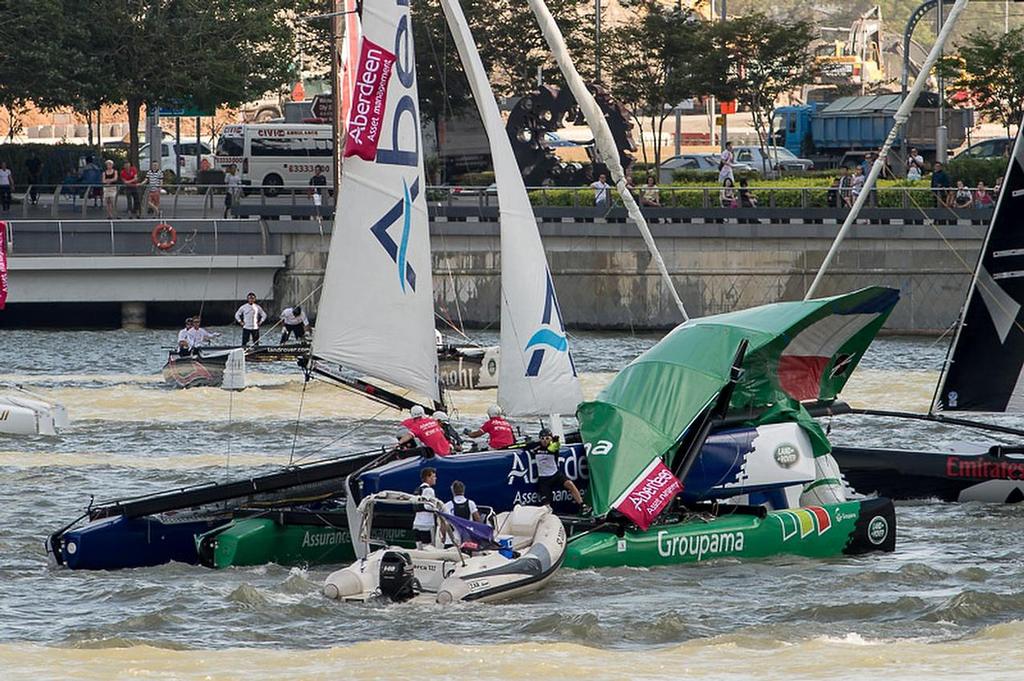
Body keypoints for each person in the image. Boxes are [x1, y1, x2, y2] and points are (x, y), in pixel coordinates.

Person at [526, 427, 584, 509]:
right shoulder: (537, 447)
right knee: (546, 506)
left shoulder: (553, 446)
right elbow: (527, 446)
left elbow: (554, 447)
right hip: (544, 479)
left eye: (547, 438)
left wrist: (556, 441)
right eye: (542, 439)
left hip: (555, 475)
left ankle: (582, 505)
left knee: (570, 484)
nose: (545, 440)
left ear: (551, 439)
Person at [413, 467, 437, 548]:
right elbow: (428, 506)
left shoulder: (417, 490)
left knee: (419, 548)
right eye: (433, 476)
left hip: (416, 523)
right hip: (427, 524)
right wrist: (437, 508)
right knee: (429, 548)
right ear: (428, 477)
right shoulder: (429, 490)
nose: (435, 478)